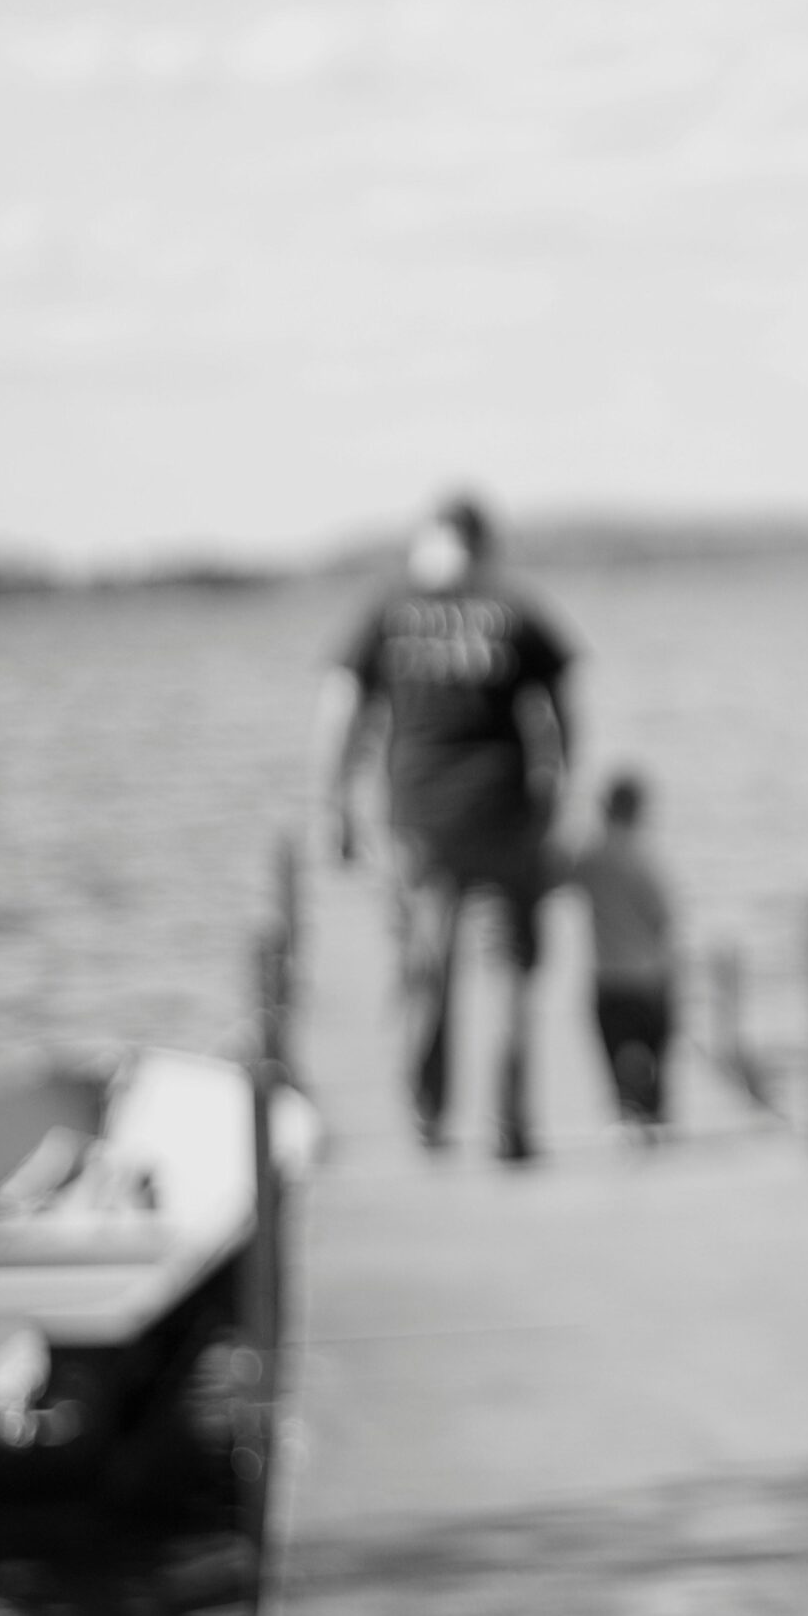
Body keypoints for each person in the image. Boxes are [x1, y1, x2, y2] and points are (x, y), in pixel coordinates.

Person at [318, 491, 576, 1162]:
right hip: (507, 815)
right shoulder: (514, 607)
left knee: (428, 969)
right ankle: (513, 1125)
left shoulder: (387, 608)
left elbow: (342, 710)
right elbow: (560, 711)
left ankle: (429, 1117)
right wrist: (557, 791)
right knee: (513, 971)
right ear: (483, 542)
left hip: (419, 821)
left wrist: (335, 803)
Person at [565, 771, 679, 1139]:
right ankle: (655, 1115)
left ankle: (628, 1113)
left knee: (618, 1050)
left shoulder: (591, 855)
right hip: (650, 976)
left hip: (609, 978)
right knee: (654, 1051)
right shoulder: (645, 858)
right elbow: (663, 917)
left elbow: (559, 874)